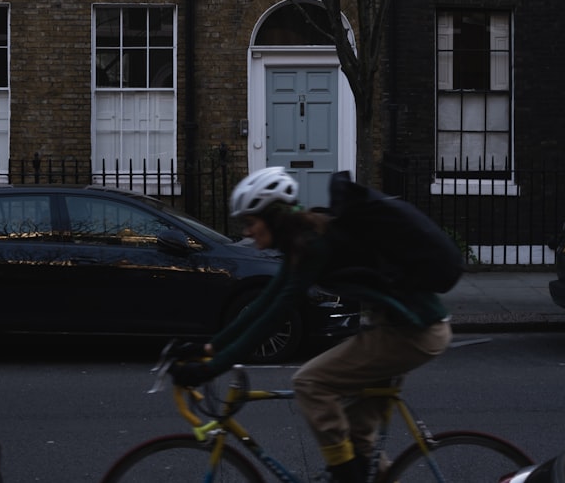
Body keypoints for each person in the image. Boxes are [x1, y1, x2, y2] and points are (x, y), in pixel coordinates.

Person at [168, 166, 453, 483]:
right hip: (402, 328)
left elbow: (277, 314)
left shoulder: (313, 244)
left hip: (411, 333)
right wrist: (209, 348)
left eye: (250, 222)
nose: (247, 232)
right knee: (357, 437)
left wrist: (211, 368)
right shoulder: (303, 244)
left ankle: (346, 476)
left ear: (274, 217)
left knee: (310, 383)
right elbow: (263, 304)